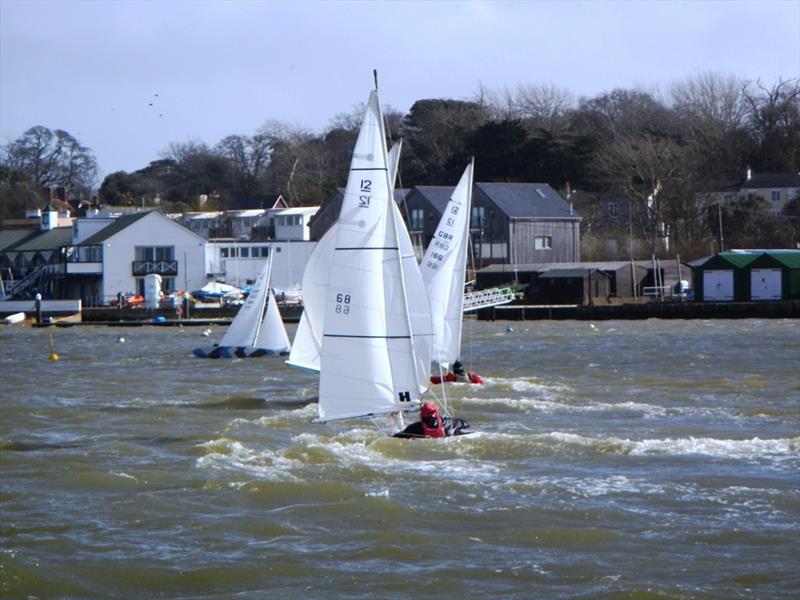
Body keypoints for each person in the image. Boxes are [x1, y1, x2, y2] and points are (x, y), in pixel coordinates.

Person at [393, 402, 473, 439]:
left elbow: (397, 436)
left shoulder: (415, 428)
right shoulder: (450, 422)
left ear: (422, 414)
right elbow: (466, 425)